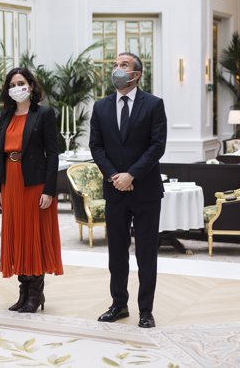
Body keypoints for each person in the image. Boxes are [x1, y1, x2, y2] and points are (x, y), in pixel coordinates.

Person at [89, 52, 167, 328]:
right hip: (114, 191)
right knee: (117, 253)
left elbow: (157, 146)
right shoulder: (101, 107)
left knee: (146, 254)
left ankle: (146, 309)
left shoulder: (154, 105)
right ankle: (119, 305)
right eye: (114, 65)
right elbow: (96, 146)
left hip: (146, 191)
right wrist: (113, 175)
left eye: (124, 65)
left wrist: (131, 174)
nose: (117, 70)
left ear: (136, 74)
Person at [0, 67, 63, 313]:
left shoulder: (43, 114)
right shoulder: (6, 115)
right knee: (17, 236)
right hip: (10, 183)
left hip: (34, 184)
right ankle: (23, 292)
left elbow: (53, 154)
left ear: (31, 86)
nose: (16, 87)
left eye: (21, 83)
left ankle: (36, 293)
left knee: (33, 236)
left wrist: (49, 190)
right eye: (12, 84)